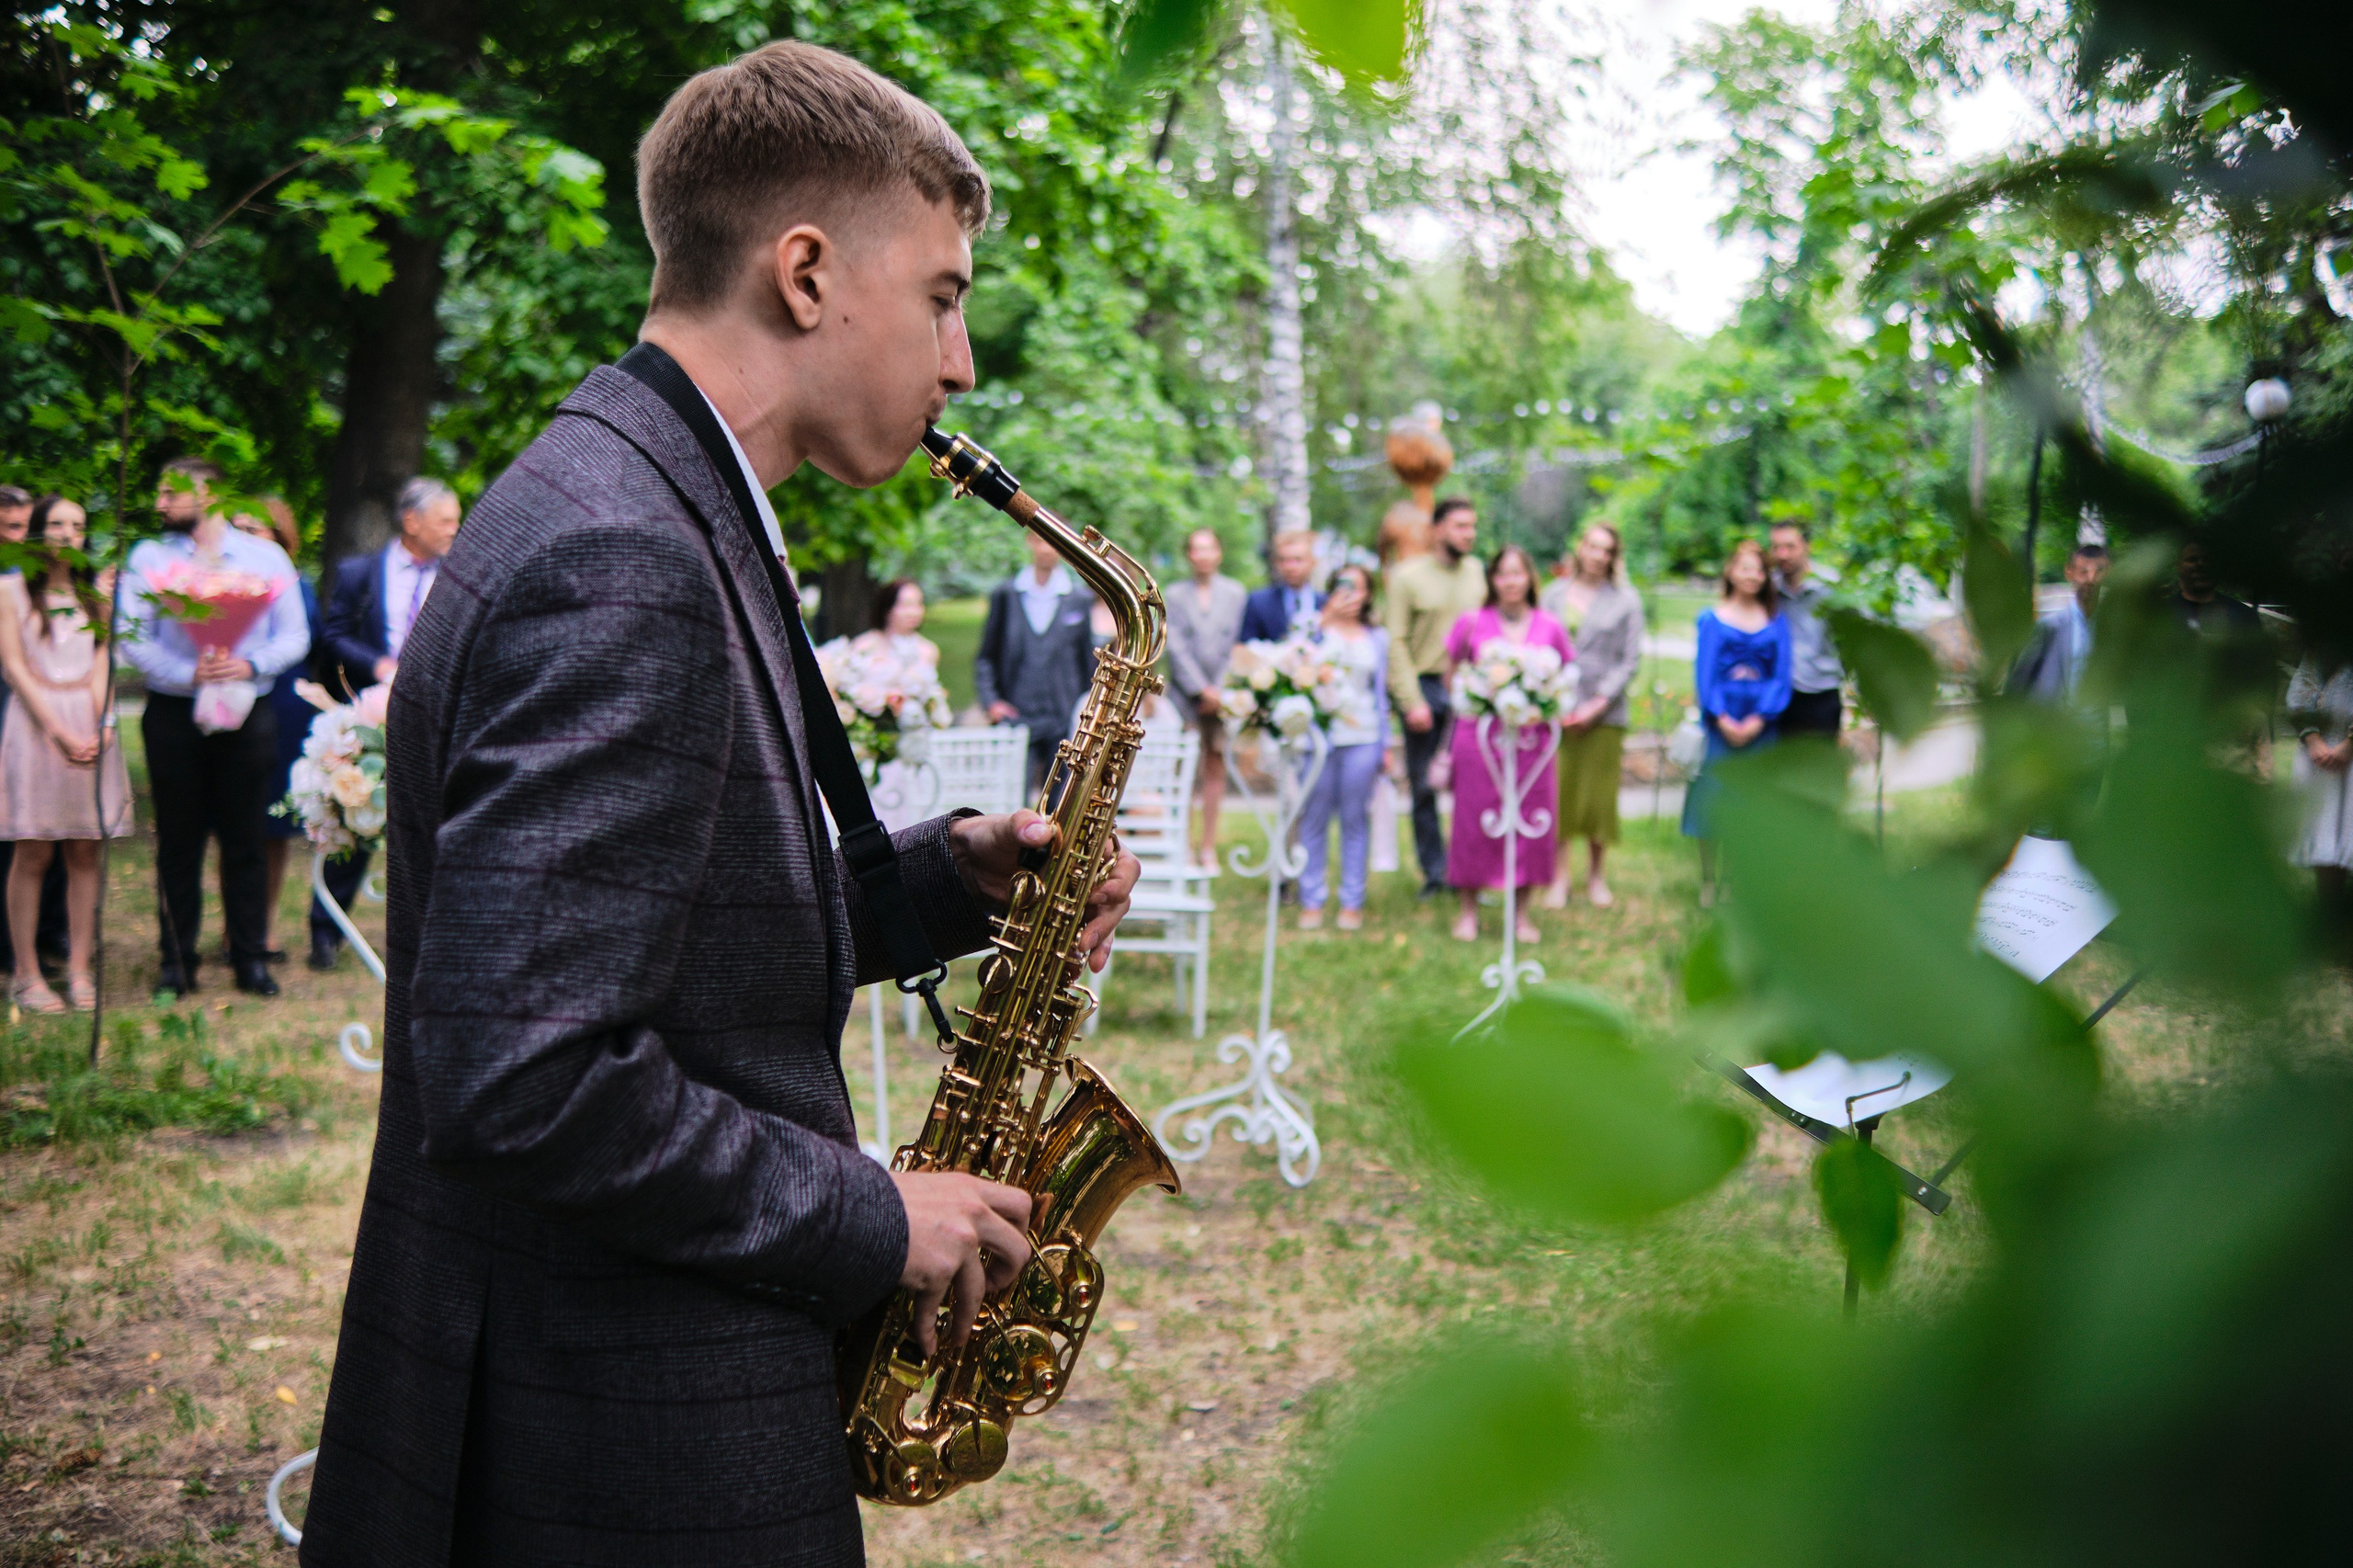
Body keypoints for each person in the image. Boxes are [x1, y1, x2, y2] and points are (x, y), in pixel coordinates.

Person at [300, 41, 1139, 1568]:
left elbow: (671, 926)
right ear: (806, 273)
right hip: (614, 1443)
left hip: (600, 1401)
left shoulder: (640, 492)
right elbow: (525, 1075)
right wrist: (883, 1219)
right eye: (945, 297)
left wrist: (953, 876)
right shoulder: (626, 554)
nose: (962, 366)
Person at [117, 457, 310, 998]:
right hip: (173, 714)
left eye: (168, 494)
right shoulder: (149, 557)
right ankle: (176, 962)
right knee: (177, 841)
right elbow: (131, 633)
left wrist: (248, 666)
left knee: (245, 838)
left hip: (249, 712)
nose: (158, 504)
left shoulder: (265, 556)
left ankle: (249, 957)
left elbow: (295, 636)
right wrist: (187, 672)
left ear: (206, 494)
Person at [313, 477, 460, 969]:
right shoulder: (360, 573)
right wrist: (378, 667)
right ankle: (325, 929)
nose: (454, 529)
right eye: (446, 520)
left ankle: (434, 933)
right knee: (357, 813)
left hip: (440, 715)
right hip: (374, 708)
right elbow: (332, 635)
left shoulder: (461, 572)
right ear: (411, 521)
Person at [0, 497, 131, 1011]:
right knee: (33, 849)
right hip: (36, 723)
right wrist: (57, 731)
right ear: (36, 531)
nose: (67, 534)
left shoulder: (93, 592)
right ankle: (27, 973)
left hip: (90, 718)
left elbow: (104, 659)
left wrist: (104, 724)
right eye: (56, 524)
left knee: (84, 850)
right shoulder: (10, 591)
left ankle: (79, 969)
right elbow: (12, 667)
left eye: (77, 526)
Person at [1444, 545, 1573, 944]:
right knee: (1473, 819)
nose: (1510, 581)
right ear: (1492, 580)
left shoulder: (1549, 625)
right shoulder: (1472, 622)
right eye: (1502, 574)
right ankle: (1468, 910)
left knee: (1532, 820)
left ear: (1530, 578)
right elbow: (1452, 671)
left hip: (1533, 741)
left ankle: (1521, 915)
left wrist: (1546, 704)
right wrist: (1474, 698)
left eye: (1518, 573)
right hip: (1481, 738)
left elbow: (1567, 675)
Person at [1386, 497, 1488, 897]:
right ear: (1438, 530)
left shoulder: (1479, 574)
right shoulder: (1407, 577)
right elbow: (1396, 642)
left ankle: (1470, 874)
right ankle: (1435, 874)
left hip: (1474, 690)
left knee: (1475, 787)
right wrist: (1412, 702)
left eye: (1472, 526)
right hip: (1425, 688)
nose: (1470, 534)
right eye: (1461, 526)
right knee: (1425, 788)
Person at [1540, 522, 1644, 909]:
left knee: (1598, 799)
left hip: (1605, 714)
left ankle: (1597, 876)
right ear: (1580, 548)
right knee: (1560, 794)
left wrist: (1597, 704)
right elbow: (1540, 644)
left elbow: (1630, 660)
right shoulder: (1553, 594)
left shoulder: (1626, 600)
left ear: (1614, 557)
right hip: (1558, 711)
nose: (1599, 556)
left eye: (1607, 550)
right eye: (1593, 547)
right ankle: (1559, 877)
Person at [1682, 539, 1790, 908]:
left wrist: (1761, 717)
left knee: (1749, 803)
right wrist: (1722, 717)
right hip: (1721, 722)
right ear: (1730, 570)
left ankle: (1734, 879)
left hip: (1761, 723)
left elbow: (1781, 675)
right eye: (1745, 567)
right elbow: (1705, 673)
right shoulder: (1712, 619)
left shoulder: (1777, 622)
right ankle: (1709, 879)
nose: (1752, 575)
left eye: (1759, 569)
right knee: (1713, 800)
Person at [234, 500, 319, 963]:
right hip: (236, 705)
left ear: (280, 534)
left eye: (255, 527)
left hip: (286, 710)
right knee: (235, 825)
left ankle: (262, 928)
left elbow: (314, 643)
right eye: (238, 527)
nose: (245, 535)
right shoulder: (217, 585)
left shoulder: (298, 585)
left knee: (274, 826)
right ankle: (235, 929)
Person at [0, 483, 69, 974]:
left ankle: (51, 930)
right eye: (10, 528)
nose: (20, 537)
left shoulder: (46, 581)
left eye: (27, 527)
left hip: (38, 713)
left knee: (53, 824)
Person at [1296, 562, 1389, 931]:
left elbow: (1380, 693)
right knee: (1314, 817)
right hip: (1318, 737)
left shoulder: (1375, 637)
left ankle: (1352, 900)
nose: (1352, 595)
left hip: (1363, 736)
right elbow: (1294, 660)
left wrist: (1386, 743)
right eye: (1344, 586)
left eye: (1360, 587)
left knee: (1355, 818)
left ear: (1369, 594)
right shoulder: (1313, 627)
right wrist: (1325, 618)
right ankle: (1311, 899)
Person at [975, 528, 1097, 790]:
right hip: (1018, 713)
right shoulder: (1007, 595)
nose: (1046, 549)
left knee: (1059, 802)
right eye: (1041, 541)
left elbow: (1087, 660)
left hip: (1063, 717)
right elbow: (986, 657)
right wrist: (992, 702)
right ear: (1030, 541)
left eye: (1053, 543)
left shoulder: (1078, 599)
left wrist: (1085, 710)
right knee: (1012, 798)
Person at [1163, 527, 1245, 867]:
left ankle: (1208, 845)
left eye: (1209, 548)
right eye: (1196, 549)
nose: (1203, 555)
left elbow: (1237, 643)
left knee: (1215, 763)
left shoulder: (1236, 593)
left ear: (1219, 553)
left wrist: (1220, 689)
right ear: (1188, 555)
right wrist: (1200, 688)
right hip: (1186, 697)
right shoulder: (1175, 594)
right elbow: (1176, 645)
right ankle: (1183, 841)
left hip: (1223, 697)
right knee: (1184, 768)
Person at [2287, 652, 2353, 932]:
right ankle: (2331, 914)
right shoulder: (2317, 652)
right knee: (2324, 831)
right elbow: (2299, 696)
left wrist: (2349, 745)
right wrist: (2313, 740)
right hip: (2319, 755)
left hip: (2348, 751)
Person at [1769, 519, 1844, 738]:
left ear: (1806, 546)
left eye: (1790, 546)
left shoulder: (1831, 587)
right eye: (1776, 547)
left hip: (1820, 695)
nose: (1782, 554)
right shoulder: (1769, 589)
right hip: (1781, 697)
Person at [2012, 543, 2108, 702]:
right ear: (2069, 572)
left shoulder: (2113, 630)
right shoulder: (2048, 628)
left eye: (2098, 571)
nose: (2091, 579)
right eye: (2083, 572)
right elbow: (2019, 682)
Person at [1238, 527, 1324, 642]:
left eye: (1298, 560)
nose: (1290, 567)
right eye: (1283, 560)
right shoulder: (1258, 602)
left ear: (1313, 562)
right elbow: (1245, 646)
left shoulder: (1326, 603)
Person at [2167, 539, 2262, 639]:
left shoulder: (2243, 615)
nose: (2200, 564)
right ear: (2178, 565)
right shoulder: (2159, 613)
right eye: (2192, 559)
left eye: (2207, 559)